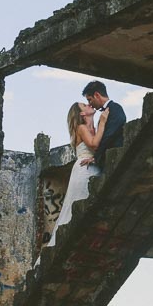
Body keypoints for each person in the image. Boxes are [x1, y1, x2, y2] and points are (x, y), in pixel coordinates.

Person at [42, 101, 108, 248]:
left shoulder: (92, 127)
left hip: (94, 167)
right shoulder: (81, 127)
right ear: (82, 114)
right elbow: (94, 144)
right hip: (84, 171)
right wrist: (103, 122)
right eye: (85, 105)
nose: (89, 105)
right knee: (76, 208)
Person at [82, 80, 126, 167]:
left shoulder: (115, 108)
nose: (89, 104)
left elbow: (109, 134)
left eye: (89, 100)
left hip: (114, 158)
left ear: (97, 95)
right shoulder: (107, 111)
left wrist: (96, 157)